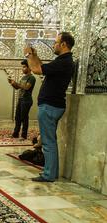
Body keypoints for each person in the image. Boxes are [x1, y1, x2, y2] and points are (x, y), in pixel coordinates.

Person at [25, 32, 75, 182]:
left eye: (56, 42)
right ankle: (51, 172)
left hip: (50, 106)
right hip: (52, 105)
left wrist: (28, 55)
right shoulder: (63, 61)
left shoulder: (64, 62)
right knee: (49, 141)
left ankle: (49, 174)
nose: (54, 44)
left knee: (48, 142)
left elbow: (36, 70)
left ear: (63, 44)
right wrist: (34, 55)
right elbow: (41, 66)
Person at [8, 59, 36, 140]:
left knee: (24, 118)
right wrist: (12, 83)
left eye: (24, 67)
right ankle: (15, 134)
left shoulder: (31, 78)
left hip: (26, 100)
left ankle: (24, 135)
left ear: (29, 67)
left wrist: (17, 84)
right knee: (17, 117)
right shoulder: (23, 77)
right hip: (21, 99)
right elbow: (18, 87)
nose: (22, 69)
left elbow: (26, 87)